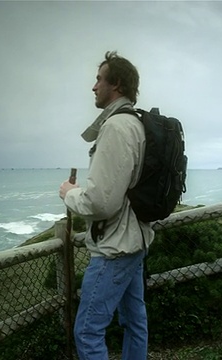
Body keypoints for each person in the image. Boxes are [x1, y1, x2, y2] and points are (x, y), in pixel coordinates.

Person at [59, 51, 154, 360]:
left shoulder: (115, 128)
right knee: (134, 323)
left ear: (117, 84)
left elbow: (101, 202)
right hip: (136, 239)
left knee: (87, 332)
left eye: (100, 79)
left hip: (115, 247)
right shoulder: (137, 124)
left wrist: (69, 194)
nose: (94, 86)